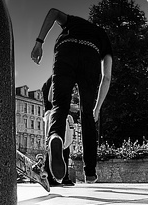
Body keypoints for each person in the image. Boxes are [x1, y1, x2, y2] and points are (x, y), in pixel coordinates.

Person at [31, 8, 113, 184]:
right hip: (91, 55)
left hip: (65, 49)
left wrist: (39, 42)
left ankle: (54, 136)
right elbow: (106, 77)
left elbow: (52, 12)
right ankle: (90, 172)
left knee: (60, 105)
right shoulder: (102, 36)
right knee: (88, 113)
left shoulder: (74, 21)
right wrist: (97, 108)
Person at [41, 76, 75, 186]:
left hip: (52, 114)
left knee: (55, 144)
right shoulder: (56, 78)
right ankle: (60, 177)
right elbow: (52, 99)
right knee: (61, 143)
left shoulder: (52, 79)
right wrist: (71, 107)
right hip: (55, 114)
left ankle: (52, 176)